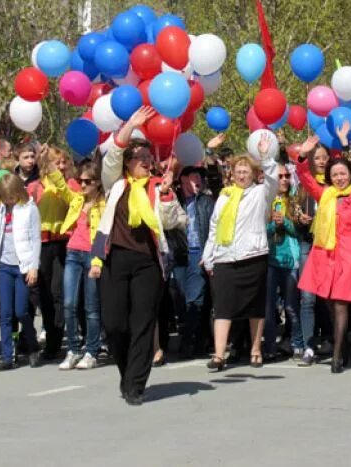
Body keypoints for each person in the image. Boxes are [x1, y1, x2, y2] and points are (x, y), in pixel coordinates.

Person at [89, 108, 186, 406]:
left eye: (148, 159)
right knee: (115, 324)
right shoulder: (115, 184)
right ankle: (126, 372)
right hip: (114, 259)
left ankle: (135, 384)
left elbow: (174, 222)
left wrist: (168, 195)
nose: (145, 163)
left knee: (143, 322)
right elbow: (112, 156)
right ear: (128, 165)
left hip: (147, 263)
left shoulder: (158, 187)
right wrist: (131, 125)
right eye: (139, 159)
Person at [294, 134, 351, 373]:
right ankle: (344, 346)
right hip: (323, 254)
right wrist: (301, 157)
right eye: (335, 174)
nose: (339, 177)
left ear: (350, 174)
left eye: (343, 173)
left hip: (347, 255)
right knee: (328, 303)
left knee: (341, 305)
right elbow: (306, 178)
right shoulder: (325, 193)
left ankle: (337, 356)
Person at [202, 133, 277, 371]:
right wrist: (208, 256)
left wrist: (265, 157)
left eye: (246, 171)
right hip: (225, 257)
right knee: (222, 306)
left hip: (252, 256)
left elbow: (273, 181)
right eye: (238, 171)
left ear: (254, 174)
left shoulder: (260, 193)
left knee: (255, 306)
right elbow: (214, 227)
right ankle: (219, 354)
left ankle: (256, 350)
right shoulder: (224, 196)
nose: (242, 175)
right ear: (232, 174)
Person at [39, 154, 106, 371]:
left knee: (91, 307)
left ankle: (92, 350)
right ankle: (74, 349)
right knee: (69, 303)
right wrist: (48, 164)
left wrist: (97, 262)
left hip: (91, 256)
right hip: (73, 253)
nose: (83, 185)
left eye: (88, 181)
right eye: (81, 181)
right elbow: (60, 184)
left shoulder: (103, 205)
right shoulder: (77, 199)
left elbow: (104, 235)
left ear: (98, 182)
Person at [0, 174, 42, 371]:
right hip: (4, 265)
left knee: (21, 310)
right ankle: (8, 355)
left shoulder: (29, 208)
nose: (9, 200)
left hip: (22, 265)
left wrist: (34, 266)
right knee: (5, 313)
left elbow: (35, 239)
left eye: (12, 197)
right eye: (6, 197)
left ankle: (32, 346)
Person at [27, 145, 75, 361]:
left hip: (64, 243)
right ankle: (50, 331)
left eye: (65, 162)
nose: (62, 166)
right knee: (43, 291)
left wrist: (58, 179)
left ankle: (56, 340)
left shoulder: (70, 184)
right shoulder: (35, 187)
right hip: (42, 244)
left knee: (58, 293)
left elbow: (72, 198)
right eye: (58, 162)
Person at [173, 165, 215, 359]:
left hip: (200, 252)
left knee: (196, 298)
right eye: (192, 176)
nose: (197, 179)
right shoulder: (175, 201)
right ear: (182, 181)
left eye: (199, 176)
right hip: (181, 256)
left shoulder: (206, 201)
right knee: (184, 299)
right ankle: (197, 339)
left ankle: (191, 341)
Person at [295, 141, 330, 366]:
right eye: (317, 158)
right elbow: (291, 212)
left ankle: (328, 339)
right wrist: (298, 219)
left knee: (326, 297)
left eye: (325, 157)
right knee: (307, 297)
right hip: (308, 244)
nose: (321, 161)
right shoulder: (303, 187)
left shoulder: (335, 185)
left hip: (328, 246)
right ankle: (308, 346)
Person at [263, 163, 302, 360]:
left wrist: (285, 223)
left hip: (290, 261)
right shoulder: (266, 200)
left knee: (291, 306)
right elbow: (260, 232)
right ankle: (269, 346)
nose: (284, 179)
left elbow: (299, 231)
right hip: (271, 260)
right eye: (280, 176)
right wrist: (272, 225)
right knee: (269, 307)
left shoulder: (294, 200)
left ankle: (296, 344)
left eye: (287, 176)